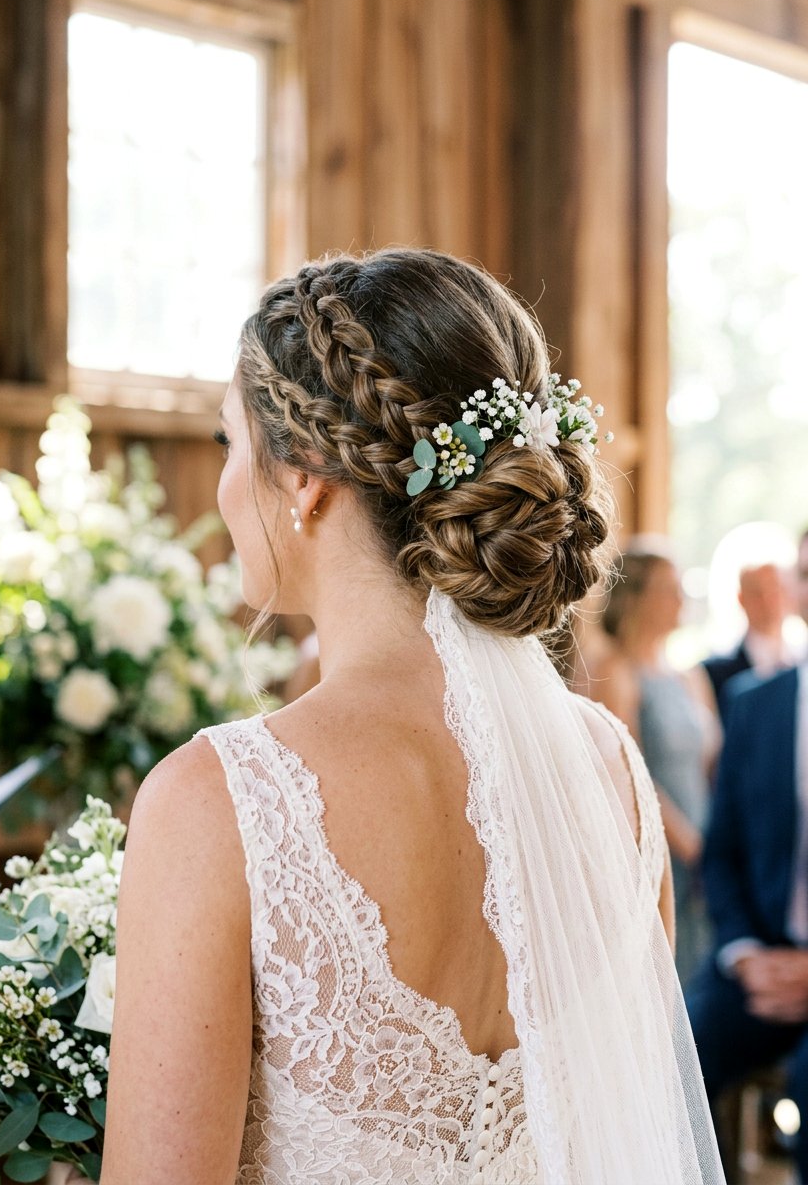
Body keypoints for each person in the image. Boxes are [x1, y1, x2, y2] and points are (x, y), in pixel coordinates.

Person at [87, 250, 723, 1184]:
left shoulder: (218, 803)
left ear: (304, 477)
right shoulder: (612, 780)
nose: (225, 485)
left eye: (231, 444)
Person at [687, 527, 808, 1183]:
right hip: (761, 957)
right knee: (669, 1064)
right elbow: (722, 853)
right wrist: (744, 952)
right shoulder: (755, 705)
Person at [586, 546, 721, 985]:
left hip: (704, 849)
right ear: (636, 597)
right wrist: (688, 845)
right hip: (658, 849)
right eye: (669, 590)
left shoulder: (690, 676)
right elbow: (626, 773)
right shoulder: (615, 671)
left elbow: (714, 767)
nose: (681, 599)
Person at [703, 560, 795, 723]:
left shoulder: (799, 662)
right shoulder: (716, 673)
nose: (768, 600)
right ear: (741, 598)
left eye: (775, 589)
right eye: (757, 592)